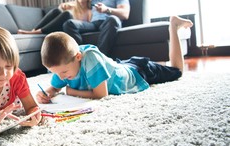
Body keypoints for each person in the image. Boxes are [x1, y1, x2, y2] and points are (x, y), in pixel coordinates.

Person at [36, 16, 193, 103]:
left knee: (177, 72)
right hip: (120, 66)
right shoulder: (64, 65)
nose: (62, 77)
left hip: (138, 72)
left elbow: (101, 95)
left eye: (63, 72)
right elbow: (55, 87)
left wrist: (70, 91)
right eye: (56, 73)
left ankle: (173, 25)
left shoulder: (90, 58)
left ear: (78, 57)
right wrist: (47, 93)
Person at [63, 0, 130, 56]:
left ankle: (100, 56)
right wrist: (67, 5)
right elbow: (80, 1)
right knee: (69, 24)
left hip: (108, 22)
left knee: (113, 19)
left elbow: (125, 14)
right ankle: (81, 52)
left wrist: (106, 9)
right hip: (93, 24)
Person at [18, 0, 93, 34]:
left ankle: (36, 32)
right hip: (58, 26)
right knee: (56, 11)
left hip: (69, 29)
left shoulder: (89, 10)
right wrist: (64, 6)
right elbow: (60, 7)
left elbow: (87, 26)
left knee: (67, 14)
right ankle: (34, 30)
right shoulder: (73, 4)